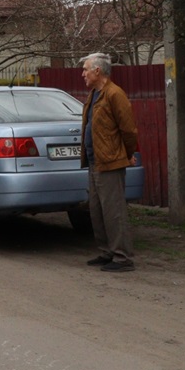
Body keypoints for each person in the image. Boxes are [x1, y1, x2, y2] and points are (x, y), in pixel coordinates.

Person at [80, 52, 139, 273]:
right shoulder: (94, 94)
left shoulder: (115, 94)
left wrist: (127, 153)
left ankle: (122, 258)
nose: (82, 73)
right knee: (97, 210)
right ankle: (106, 252)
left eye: (86, 69)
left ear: (98, 71)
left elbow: (129, 129)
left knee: (114, 211)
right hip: (95, 161)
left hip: (111, 162)